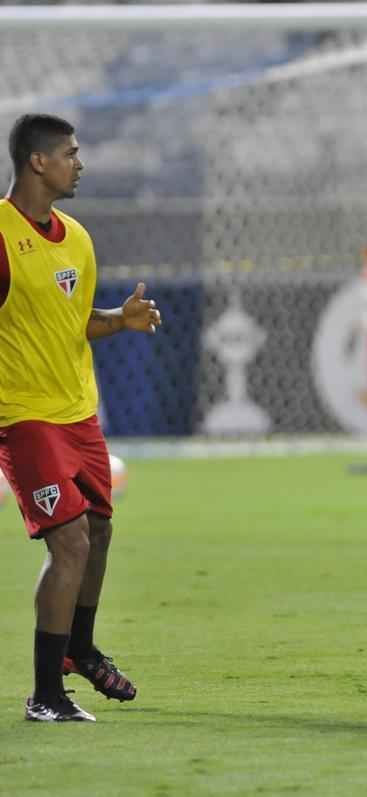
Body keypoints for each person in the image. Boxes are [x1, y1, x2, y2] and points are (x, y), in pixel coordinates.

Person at [0, 114, 162, 722]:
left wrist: (118, 319)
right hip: (23, 419)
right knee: (68, 543)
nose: (79, 163)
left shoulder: (76, 237)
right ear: (37, 162)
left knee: (98, 534)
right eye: (69, 153)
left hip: (78, 416)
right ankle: (45, 694)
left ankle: (80, 648)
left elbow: (74, 322)